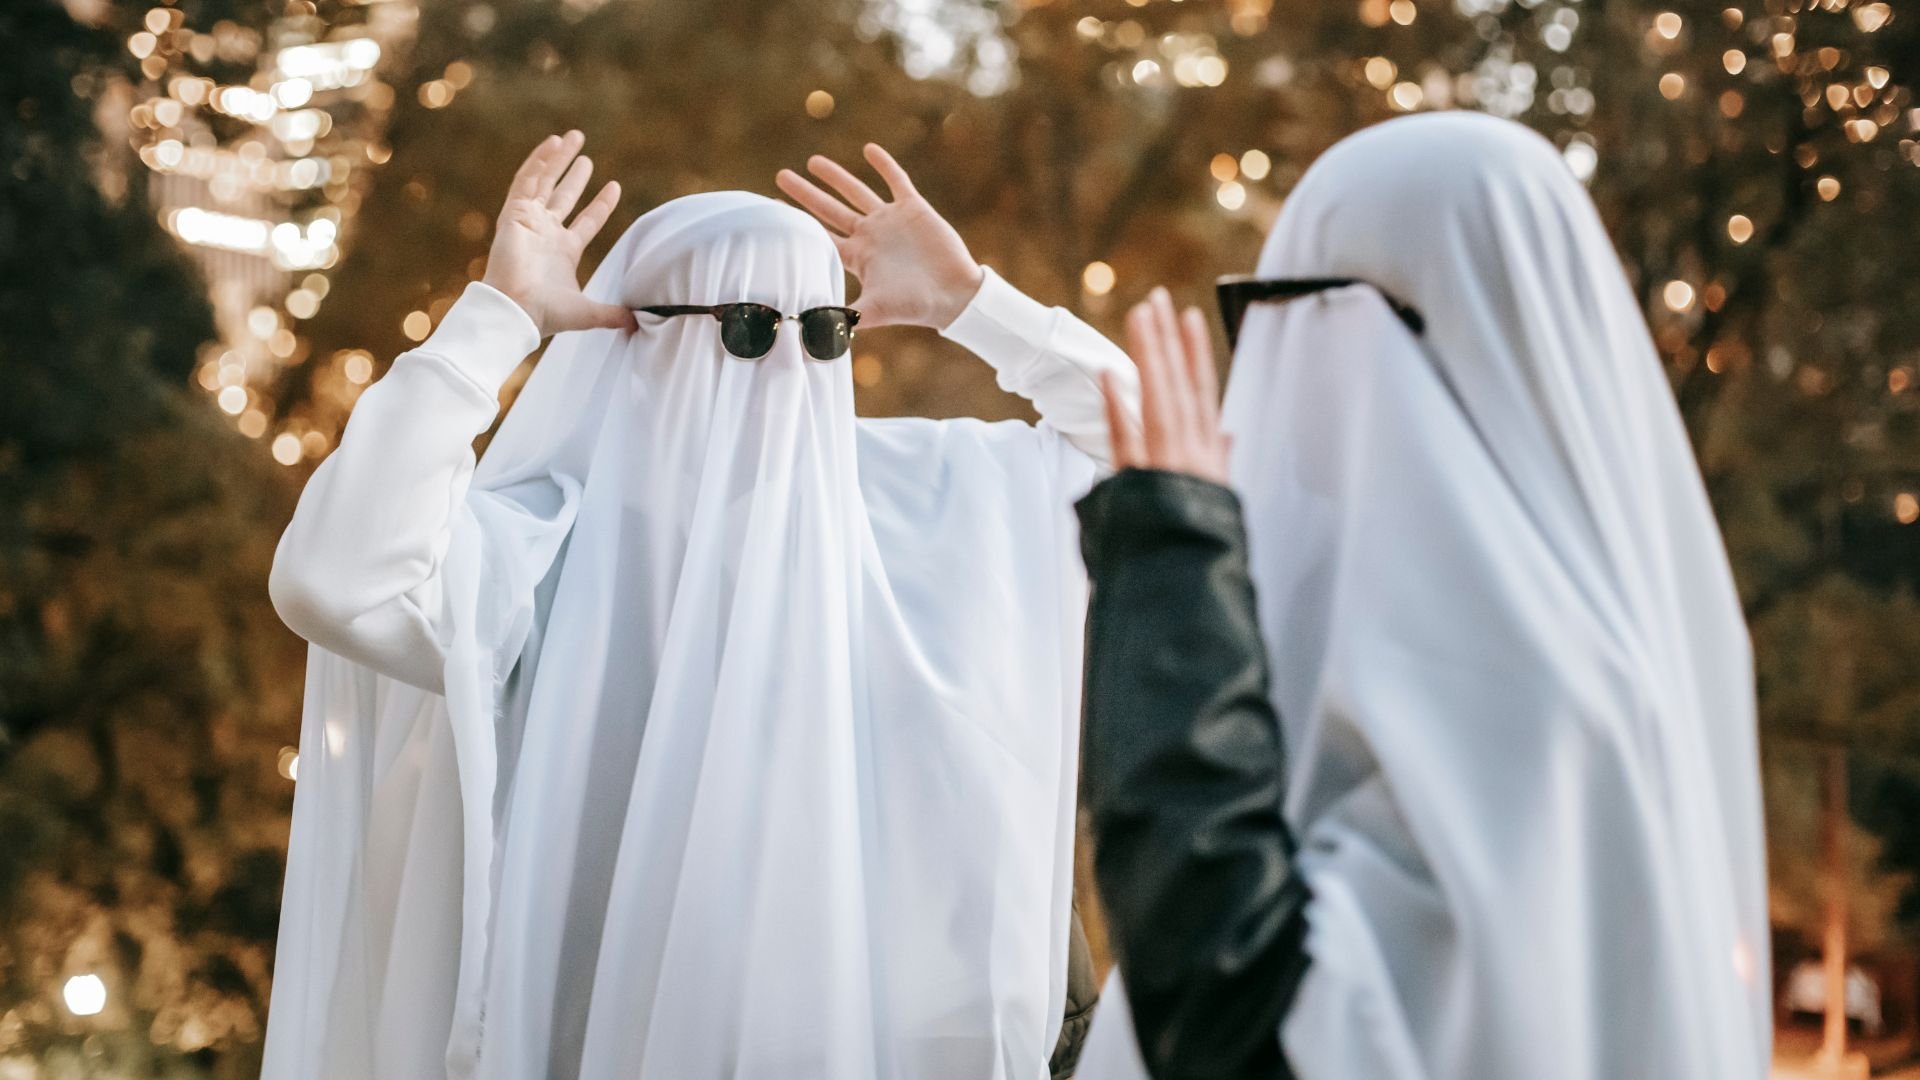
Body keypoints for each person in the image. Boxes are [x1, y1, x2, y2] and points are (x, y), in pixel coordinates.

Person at [262, 131, 1135, 1080]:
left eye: (822, 331)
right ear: (634, 335)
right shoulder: (542, 549)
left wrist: (974, 305)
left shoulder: (920, 498)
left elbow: (1149, 456)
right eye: (749, 329)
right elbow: (333, 578)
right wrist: (499, 320)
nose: (785, 369)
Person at [1070, 113, 1770, 1080]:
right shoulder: (1576, 652)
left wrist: (1174, 570)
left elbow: (1243, 1029)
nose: (1263, 362)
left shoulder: (1516, 686)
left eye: (1269, 312)